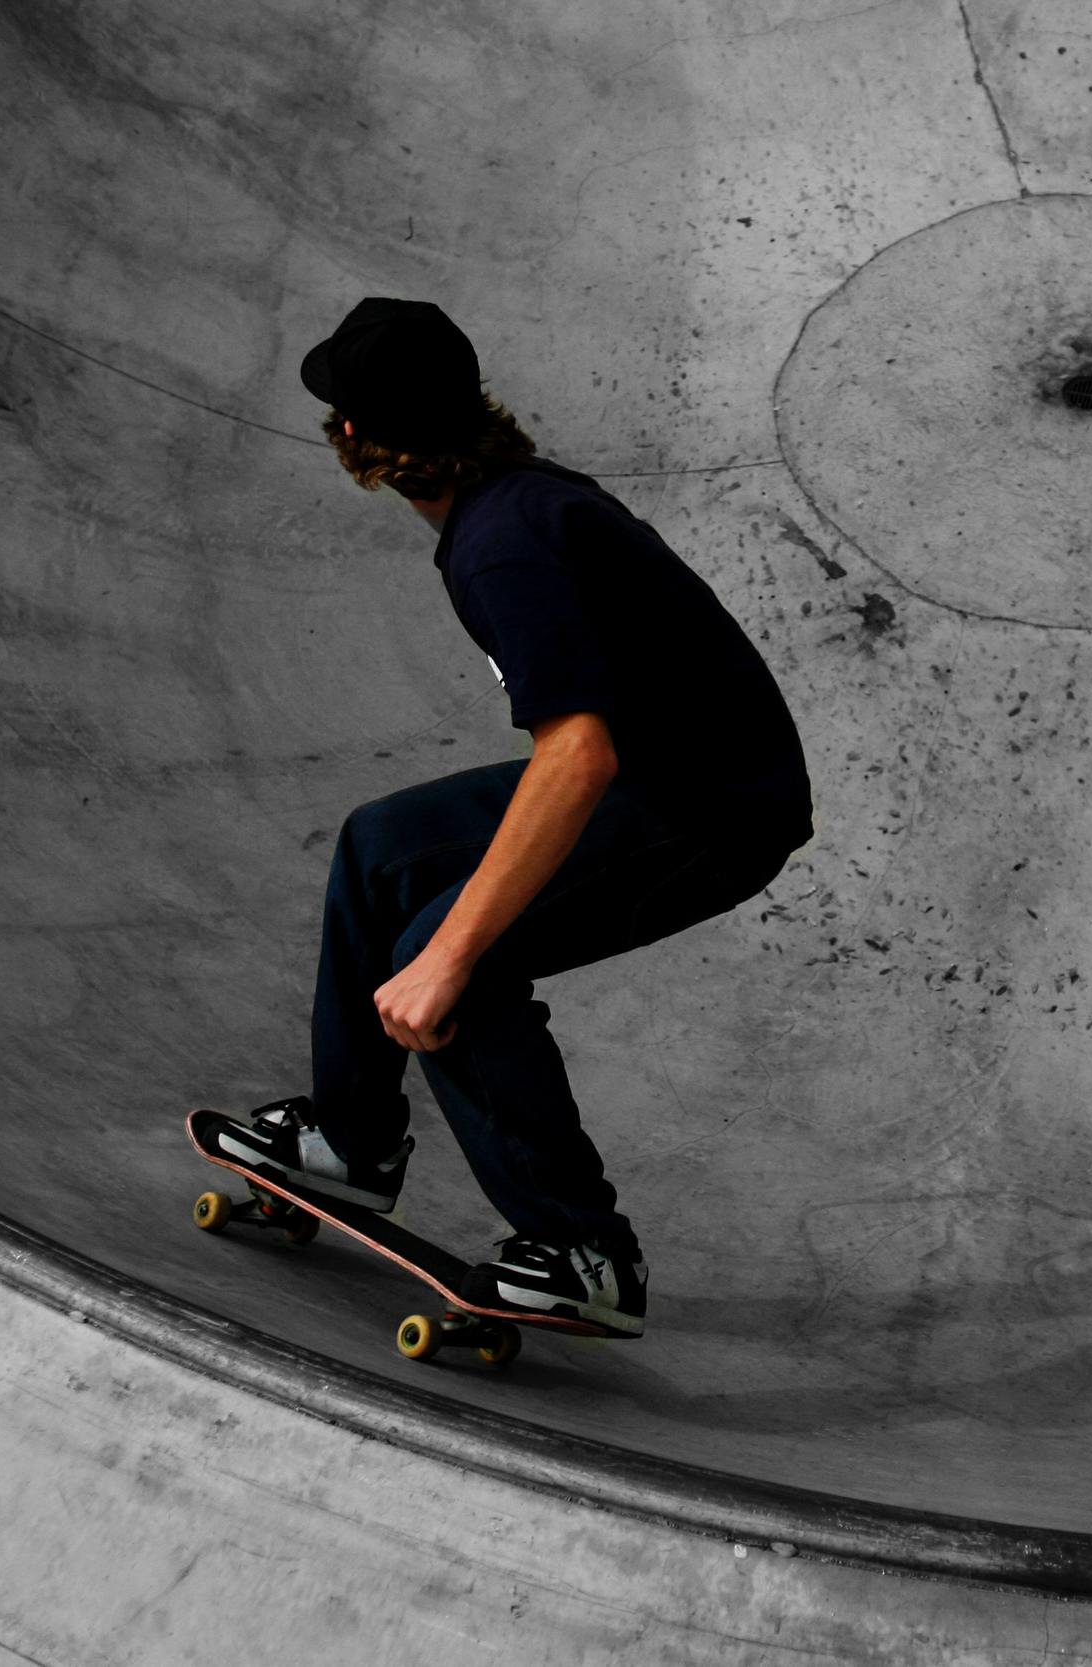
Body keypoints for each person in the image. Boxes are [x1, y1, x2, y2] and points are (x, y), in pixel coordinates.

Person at [216, 298, 813, 1337]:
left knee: (451, 951)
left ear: (352, 439)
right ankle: (353, 1147)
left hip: (709, 809)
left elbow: (577, 752)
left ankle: (584, 1250)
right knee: (381, 846)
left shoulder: (501, 542)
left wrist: (450, 952)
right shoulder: (517, 501)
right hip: (670, 768)